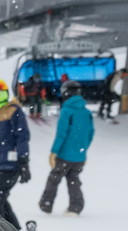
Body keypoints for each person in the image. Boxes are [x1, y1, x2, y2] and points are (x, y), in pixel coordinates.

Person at [39, 82, 94, 215]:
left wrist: (54, 152)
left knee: (54, 178)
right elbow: (90, 133)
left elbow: (61, 134)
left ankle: (46, 204)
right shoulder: (86, 112)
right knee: (73, 179)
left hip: (64, 154)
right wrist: (84, 151)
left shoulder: (66, 111)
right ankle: (76, 207)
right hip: (79, 156)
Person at [0, 79, 30, 225]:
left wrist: (23, 161)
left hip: (11, 165)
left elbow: (22, 137)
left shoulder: (14, 111)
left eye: (1, 92)